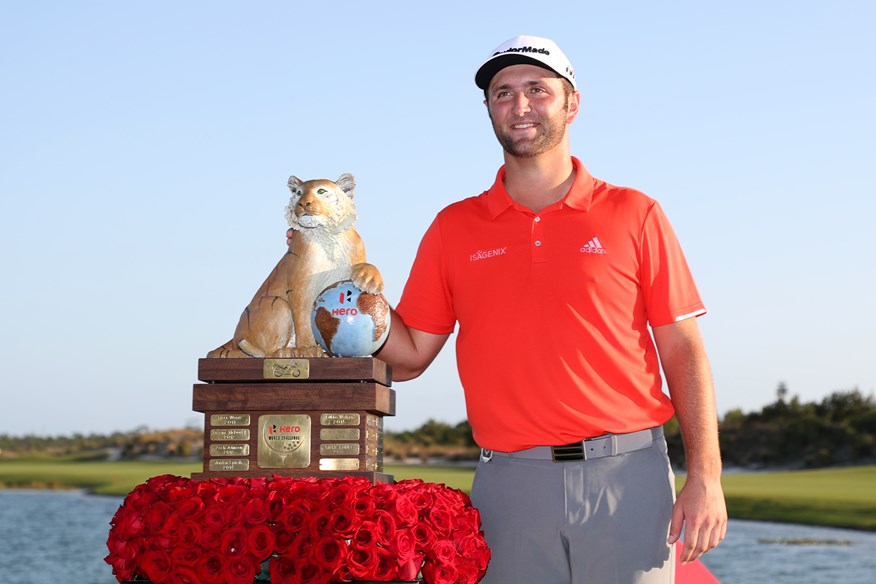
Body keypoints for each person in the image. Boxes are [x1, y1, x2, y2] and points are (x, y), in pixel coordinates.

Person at [296, 34, 727, 583]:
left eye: (536, 89)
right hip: (510, 485)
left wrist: (706, 476)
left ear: (572, 103)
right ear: (488, 110)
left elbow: (682, 346)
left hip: (628, 476)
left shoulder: (635, 213)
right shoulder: (454, 227)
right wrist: (339, 288)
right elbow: (407, 356)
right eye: (503, 93)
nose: (519, 105)